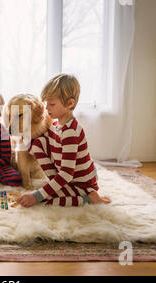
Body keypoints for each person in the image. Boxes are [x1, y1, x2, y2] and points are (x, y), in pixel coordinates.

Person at [17, 74, 111, 208]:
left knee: (46, 201)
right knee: (38, 143)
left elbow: (66, 174)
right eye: (46, 103)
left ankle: (89, 198)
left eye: (52, 104)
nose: (47, 108)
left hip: (81, 183)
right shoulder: (56, 124)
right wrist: (24, 133)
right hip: (68, 178)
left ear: (70, 103)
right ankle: (58, 186)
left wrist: (37, 196)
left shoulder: (70, 132)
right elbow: (36, 146)